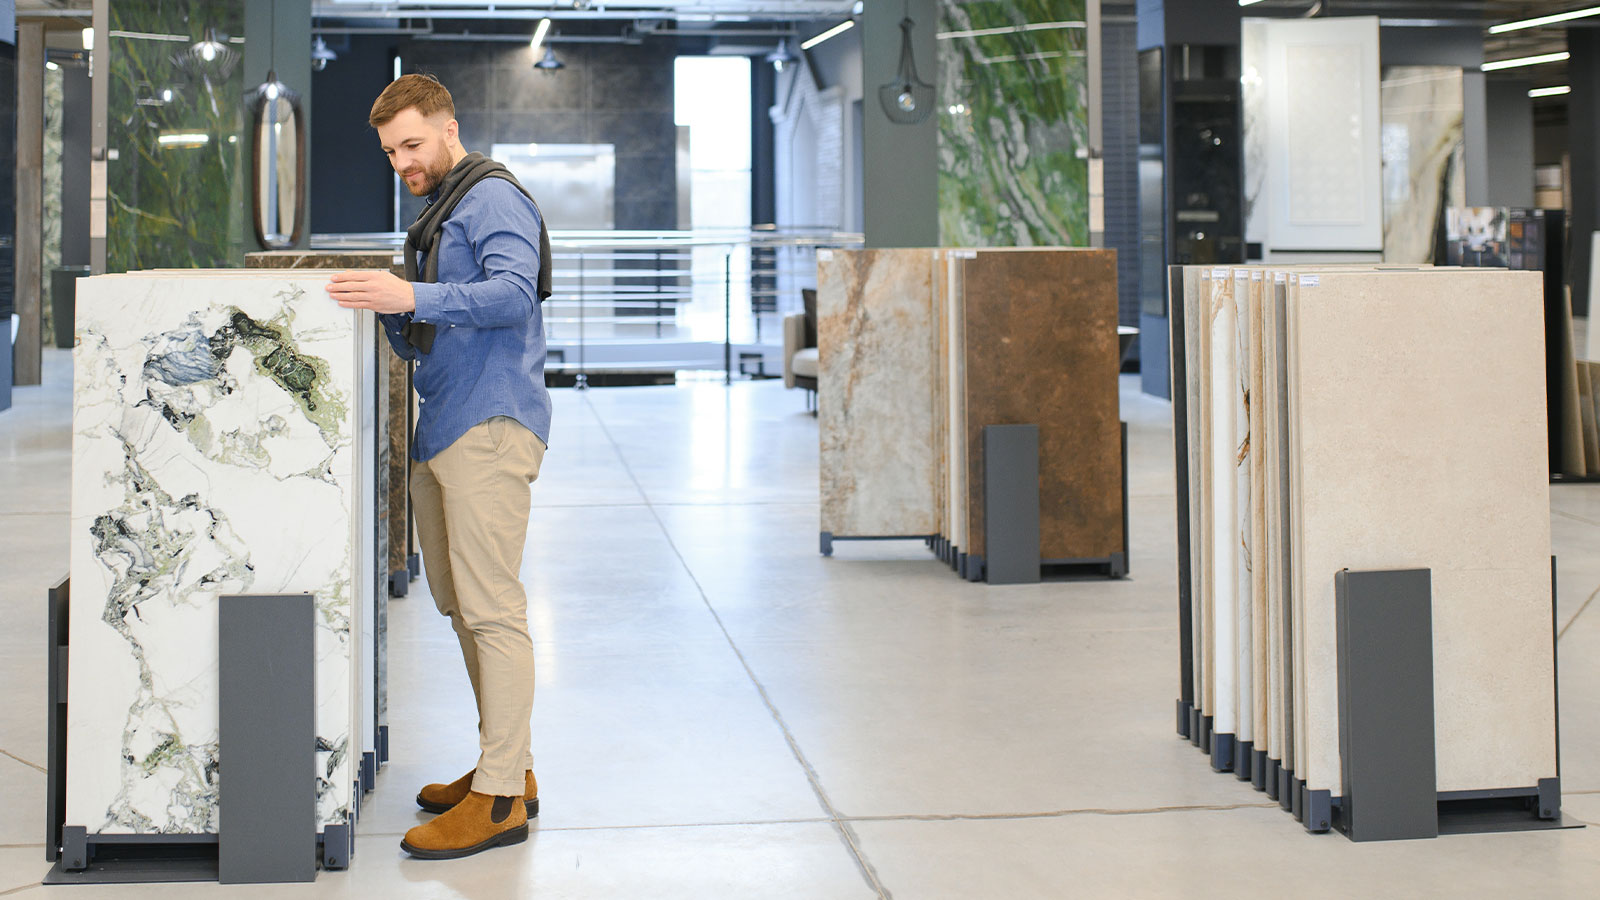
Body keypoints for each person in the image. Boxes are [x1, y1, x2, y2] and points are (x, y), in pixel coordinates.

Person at [326, 73, 553, 860]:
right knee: (464, 607)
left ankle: (497, 804)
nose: (402, 162)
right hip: (446, 426)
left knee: (492, 609)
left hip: (491, 424)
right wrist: (393, 307)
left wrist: (411, 296)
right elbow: (435, 309)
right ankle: (508, 769)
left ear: (449, 127)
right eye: (391, 152)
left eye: (413, 144)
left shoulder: (491, 197)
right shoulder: (441, 205)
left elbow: (513, 295)